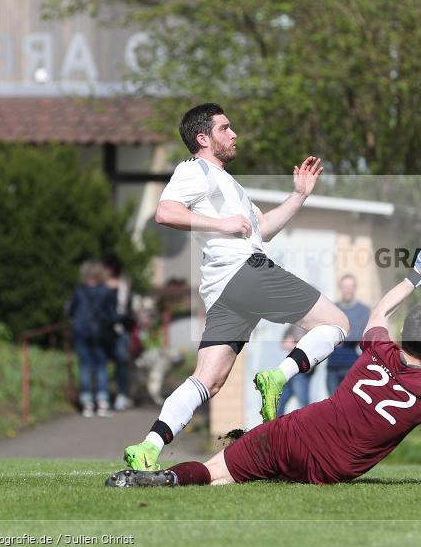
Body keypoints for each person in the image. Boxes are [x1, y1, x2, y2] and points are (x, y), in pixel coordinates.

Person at [106, 247, 421, 487]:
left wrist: (416, 278)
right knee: (254, 471)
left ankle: (161, 479)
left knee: (219, 473)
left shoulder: (378, 348)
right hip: (331, 470)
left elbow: (381, 309)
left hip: (293, 432)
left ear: (404, 334)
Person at [122, 103, 350, 471]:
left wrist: (299, 195)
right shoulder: (197, 171)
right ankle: (279, 377)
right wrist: (223, 225)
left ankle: (147, 447)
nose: (233, 134)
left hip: (226, 290)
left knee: (208, 380)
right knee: (337, 323)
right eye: (225, 128)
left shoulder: (229, 184)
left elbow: (265, 229)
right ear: (203, 138)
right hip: (246, 272)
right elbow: (166, 212)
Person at [67, 260, 116, 418]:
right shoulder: (106, 292)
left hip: (81, 332)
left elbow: (70, 310)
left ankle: (87, 403)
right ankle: (102, 402)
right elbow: (111, 314)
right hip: (100, 333)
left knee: (85, 366)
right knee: (101, 366)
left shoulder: (78, 292)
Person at [326, 274, 370, 394]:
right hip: (333, 366)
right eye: (345, 287)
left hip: (352, 366)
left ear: (355, 288)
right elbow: (326, 332)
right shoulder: (332, 308)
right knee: (333, 405)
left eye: (350, 287)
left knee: (350, 405)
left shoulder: (364, 310)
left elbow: (361, 335)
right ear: (340, 288)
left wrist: (339, 336)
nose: (348, 290)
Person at [103, 253, 134, 411]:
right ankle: (104, 395)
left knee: (121, 362)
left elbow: (125, 306)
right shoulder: (101, 284)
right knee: (103, 363)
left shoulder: (123, 283)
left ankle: (122, 394)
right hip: (104, 329)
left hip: (120, 328)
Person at [276, 325, 310, 416]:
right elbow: (284, 343)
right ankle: (276, 428)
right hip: (289, 370)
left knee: (303, 403)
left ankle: (306, 428)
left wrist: (294, 345)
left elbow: (307, 348)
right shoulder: (292, 326)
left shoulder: (309, 327)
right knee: (279, 403)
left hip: (301, 372)